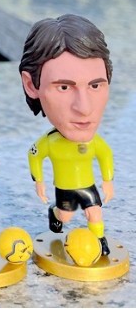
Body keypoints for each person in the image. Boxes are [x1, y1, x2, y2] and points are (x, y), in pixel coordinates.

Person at [20, 14, 114, 257]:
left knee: (94, 212)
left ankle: (100, 240)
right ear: (31, 85)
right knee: (66, 215)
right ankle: (55, 213)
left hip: (88, 185)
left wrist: (108, 180)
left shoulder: (95, 142)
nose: (84, 108)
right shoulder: (49, 142)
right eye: (64, 87)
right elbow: (34, 155)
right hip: (63, 187)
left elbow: (105, 155)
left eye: (95, 85)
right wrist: (39, 181)